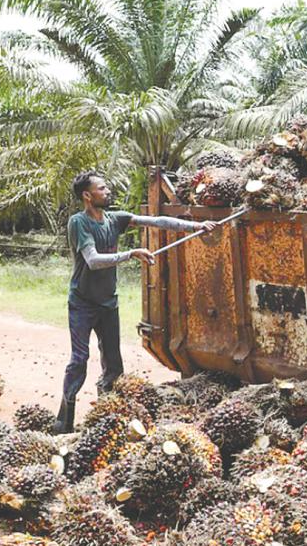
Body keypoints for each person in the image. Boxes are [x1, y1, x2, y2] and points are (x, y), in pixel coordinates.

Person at [54, 170, 218, 433]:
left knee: (114, 362)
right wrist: (131, 253)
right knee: (79, 360)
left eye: (107, 187)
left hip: (108, 303)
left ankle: (107, 415)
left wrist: (195, 227)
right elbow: (93, 261)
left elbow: (158, 221)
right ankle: (64, 422)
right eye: (102, 188)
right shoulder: (79, 223)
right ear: (87, 195)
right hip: (83, 304)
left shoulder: (114, 219)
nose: (107, 191)